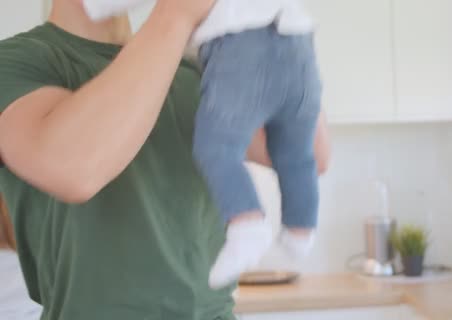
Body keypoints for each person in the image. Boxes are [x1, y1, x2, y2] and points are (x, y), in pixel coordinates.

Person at [0, 1, 330, 320]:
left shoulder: (195, 62)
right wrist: (176, 12)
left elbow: (309, 154)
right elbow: (73, 169)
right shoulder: (16, 62)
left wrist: (270, 26)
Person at [84, 0, 322, 289]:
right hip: (300, 44)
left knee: (218, 148)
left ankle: (247, 223)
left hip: (244, 43)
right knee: (296, 154)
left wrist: (97, 6)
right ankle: (301, 228)